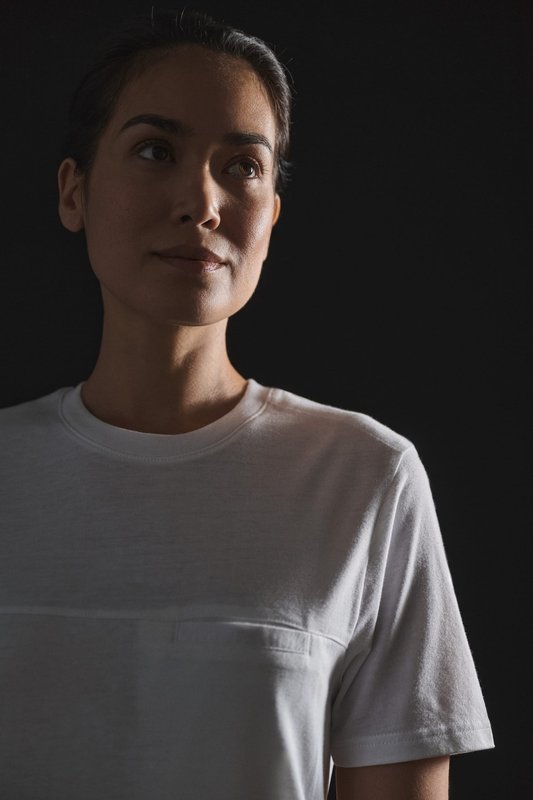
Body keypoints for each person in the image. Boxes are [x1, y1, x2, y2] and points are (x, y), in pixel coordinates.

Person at [0, 7, 494, 799]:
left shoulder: (361, 478)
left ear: (271, 217)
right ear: (73, 191)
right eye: (155, 151)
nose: (201, 201)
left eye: (242, 166)